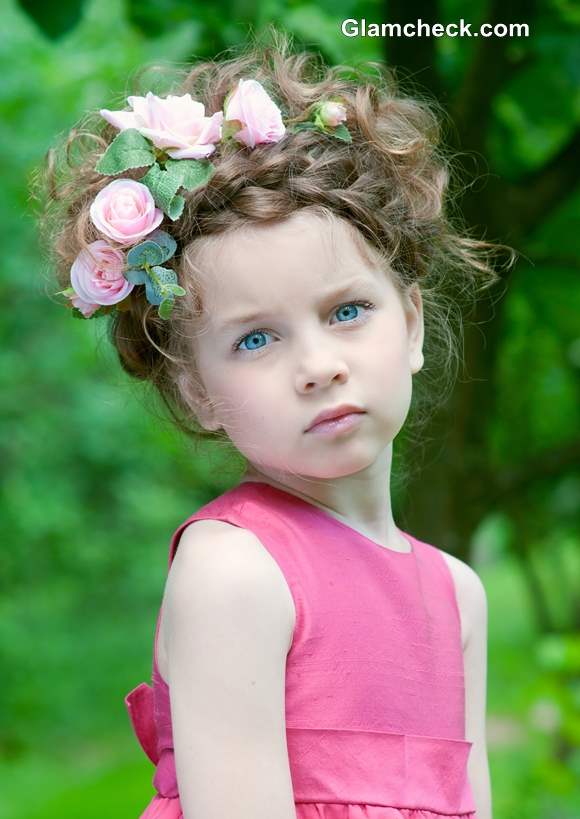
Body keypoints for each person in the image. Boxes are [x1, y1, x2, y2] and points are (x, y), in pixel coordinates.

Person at [36, 26, 503, 819]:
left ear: (414, 325)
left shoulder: (458, 595)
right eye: (256, 337)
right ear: (195, 390)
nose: (317, 364)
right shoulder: (237, 572)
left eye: (347, 310)